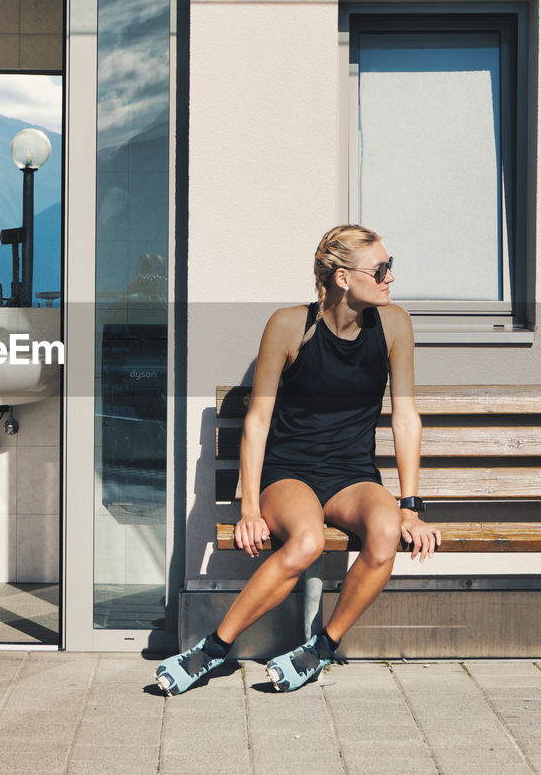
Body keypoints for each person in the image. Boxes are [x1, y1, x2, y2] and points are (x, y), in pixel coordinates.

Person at [156, 224, 441, 695]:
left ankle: (321, 649)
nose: (391, 278)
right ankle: (212, 651)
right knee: (306, 541)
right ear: (344, 278)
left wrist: (410, 505)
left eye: (391, 267)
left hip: (352, 476)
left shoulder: (394, 325)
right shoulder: (290, 326)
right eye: (381, 269)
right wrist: (250, 508)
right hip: (290, 474)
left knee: (388, 530)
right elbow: (258, 419)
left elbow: (405, 417)